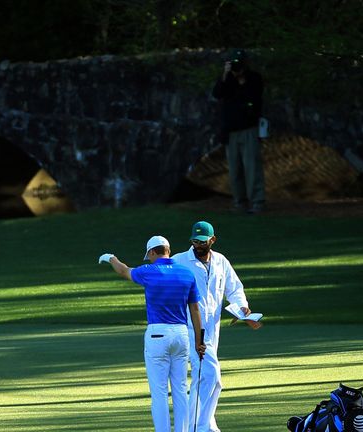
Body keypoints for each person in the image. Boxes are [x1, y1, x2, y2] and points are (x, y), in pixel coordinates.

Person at [99, 235, 207, 432]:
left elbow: (123, 270)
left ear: (152, 252)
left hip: (158, 334)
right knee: (181, 390)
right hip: (182, 334)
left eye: (148, 255)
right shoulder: (186, 273)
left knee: (159, 393)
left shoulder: (149, 271)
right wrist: (200, 342)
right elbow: (195, 310)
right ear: (168, 249)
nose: (148, 259)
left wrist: (110, 258)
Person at [171, 221, 260, 432]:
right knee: (209, 374)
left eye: (202, 241)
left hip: (213, 328)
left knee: (213, 379)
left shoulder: (221, 261)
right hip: (190, 328)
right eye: (194, 241)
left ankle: (206, 423)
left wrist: (243, 309)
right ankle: (194, 427)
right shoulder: (179, 261)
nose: (198, 245)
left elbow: (234, 289)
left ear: (212, 240)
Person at [212, 49, 266, 214]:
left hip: (249, 129)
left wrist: (242, 80)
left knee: (251, 167)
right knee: (235, 170)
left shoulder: (254, 79)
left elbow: (255, 98)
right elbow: (217, 93)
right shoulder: (227, 80)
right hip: (231, 131)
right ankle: (239, 201)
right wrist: (225, 75)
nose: (236, 67)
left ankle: (256, 201)